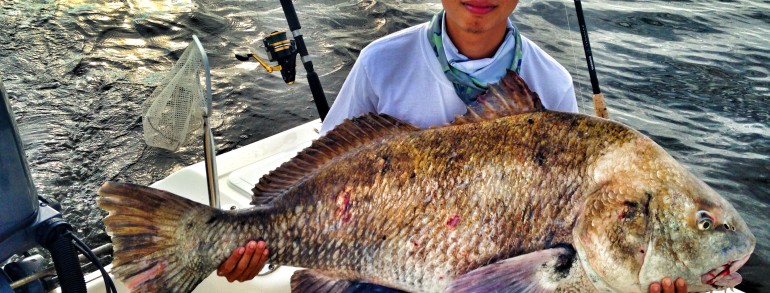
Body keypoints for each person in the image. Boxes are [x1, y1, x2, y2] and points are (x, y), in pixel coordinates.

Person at [217, 0, 688, 291]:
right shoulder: (381, 61)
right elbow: (323, 173)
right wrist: (258, 243)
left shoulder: (551, 82)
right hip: (372, 272)